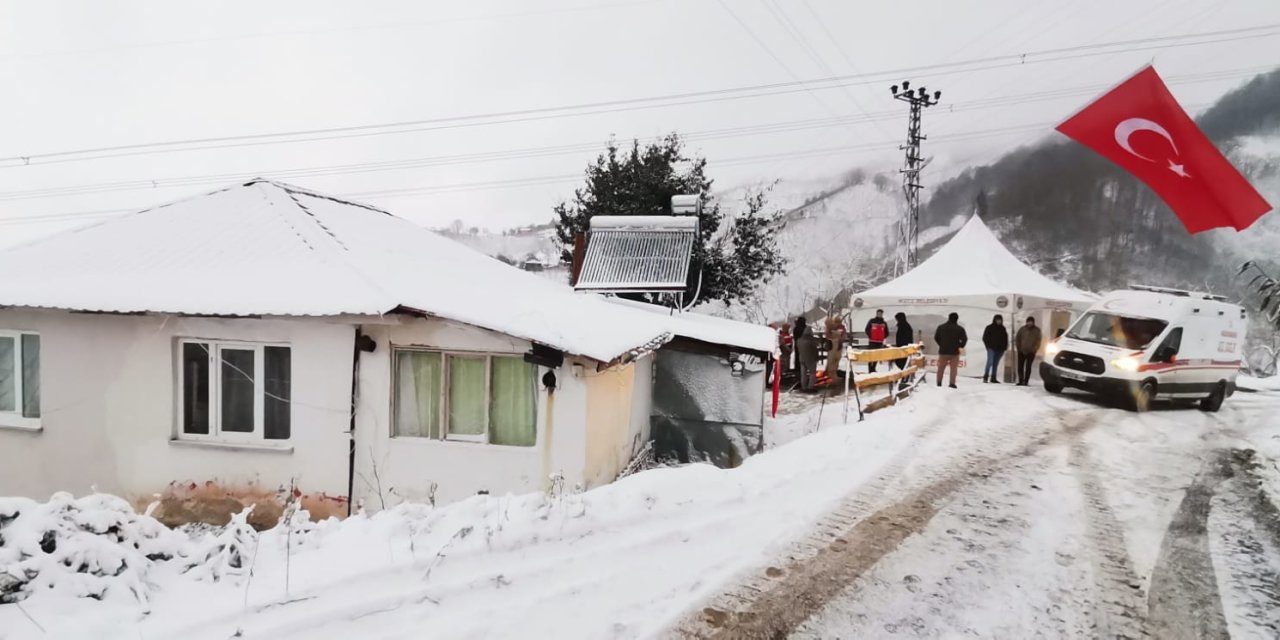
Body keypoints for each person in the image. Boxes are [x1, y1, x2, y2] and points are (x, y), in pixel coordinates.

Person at [934, 312, 967, 388]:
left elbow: (936, 337)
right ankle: (952, 383)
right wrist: (960, 346)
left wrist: (941, 344)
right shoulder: (960, 329)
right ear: (957, 319)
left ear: (948, 318)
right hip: (955, 352)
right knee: (953, 369)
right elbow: (964, 339)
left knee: (941, 368)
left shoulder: (941, 327)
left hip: (943, 351)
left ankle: (939, 383)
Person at [1015, 316, 1043, 386]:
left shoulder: (1037, 330)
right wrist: (1018, 348)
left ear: (1033, 322)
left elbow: (1038, 341)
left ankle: (1026, 381)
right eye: (1028, 321)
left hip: (1031, 352)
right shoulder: (1022, 329)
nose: (1029, 323)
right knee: (1020, 366)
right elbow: (1017, 338)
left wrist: (1034, 349)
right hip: (1021, 351)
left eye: (1031, 322)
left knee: (1028, 366)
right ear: (1026, 322)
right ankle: (1021, 380)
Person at [981, 314, 1009, 384]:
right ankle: (986, 376)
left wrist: (1004, 348)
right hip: (991, 348)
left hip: (1000, 350)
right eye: (997, 320)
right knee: (990, 362)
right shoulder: (989, 327)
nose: (999, 321)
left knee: (995, 364)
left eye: (1000, 320)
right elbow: (985, 338)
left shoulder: (1003, 328)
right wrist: (988, 346)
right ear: (994, 320)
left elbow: (1005, 339)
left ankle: (993, 377)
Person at [794, 317, 819, 392]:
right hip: (810, 358)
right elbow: (814, 350)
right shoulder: (811, 340)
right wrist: (816, 357)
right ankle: (810, 387)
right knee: (812, 372)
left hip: (801, 357)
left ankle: (803, 386)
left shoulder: (799, 340)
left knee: (803, 373)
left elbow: (797, 348)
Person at [865, 309, 889, 373]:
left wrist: (882, 337)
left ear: (882, 314)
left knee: (877, 356)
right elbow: (867, 329)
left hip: (879, 342)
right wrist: (871, 336)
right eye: (878, 313)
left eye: (880, 313)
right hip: (872, 341)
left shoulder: (884, 323)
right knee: (871, 356)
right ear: (876, 313)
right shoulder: (872, 321)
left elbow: (887, 332)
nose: (879, 314)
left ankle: (873, 368)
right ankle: (870, 369)